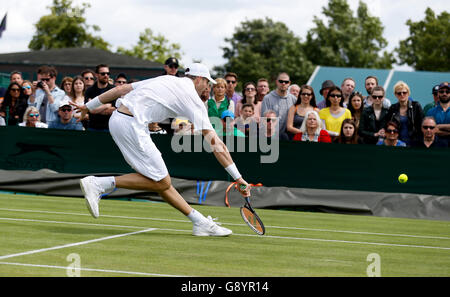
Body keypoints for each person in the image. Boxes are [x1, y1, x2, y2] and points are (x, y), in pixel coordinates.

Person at [72, 63, 250, 237]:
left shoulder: (167, 79)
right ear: (198, 79)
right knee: (162, 181)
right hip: (131, 124)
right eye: (207, 82)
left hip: (120, 120)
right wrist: (239, 178)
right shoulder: (193, 100)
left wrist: (89, 106)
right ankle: (98, 184)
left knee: (160, 180)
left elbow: (121, 90)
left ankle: (200, 222)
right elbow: (216, 144)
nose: (208, 87)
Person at [386, 81, 424, 146]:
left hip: (414, 142)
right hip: (398, 143)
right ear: (395, 94)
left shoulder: (416, 106)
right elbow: (388, 124)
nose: (402, 95)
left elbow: (421, 125)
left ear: (408, 93)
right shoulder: (393, 108)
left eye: (404, 92)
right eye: (399, 93)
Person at [261, 72, 297, 140]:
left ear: (289, 83)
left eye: (286, 82)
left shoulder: (294, 99)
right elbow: (264, 120)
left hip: (287, 138)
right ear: (277, 82)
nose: (283, 83)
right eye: (281, 81)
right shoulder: (267, 98)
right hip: (271, 137)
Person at [84, 64, 115, 132]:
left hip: (110, 128)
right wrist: (107, 105)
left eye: (108, 73)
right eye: (103, 73)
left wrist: (95, 107)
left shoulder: (114, 90)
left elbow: (114, 110)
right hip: (93, 127)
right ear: (96, 75)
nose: (106, 75)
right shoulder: (89, 90)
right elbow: (89, 109)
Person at [426, 82, 450, 146]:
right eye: (442, 92)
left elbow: (435, 129)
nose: (444, 94)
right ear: (438, 94)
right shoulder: (430, 112)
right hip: (437, 147)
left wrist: (439, 126)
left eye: (447, 92)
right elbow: (430, 130)